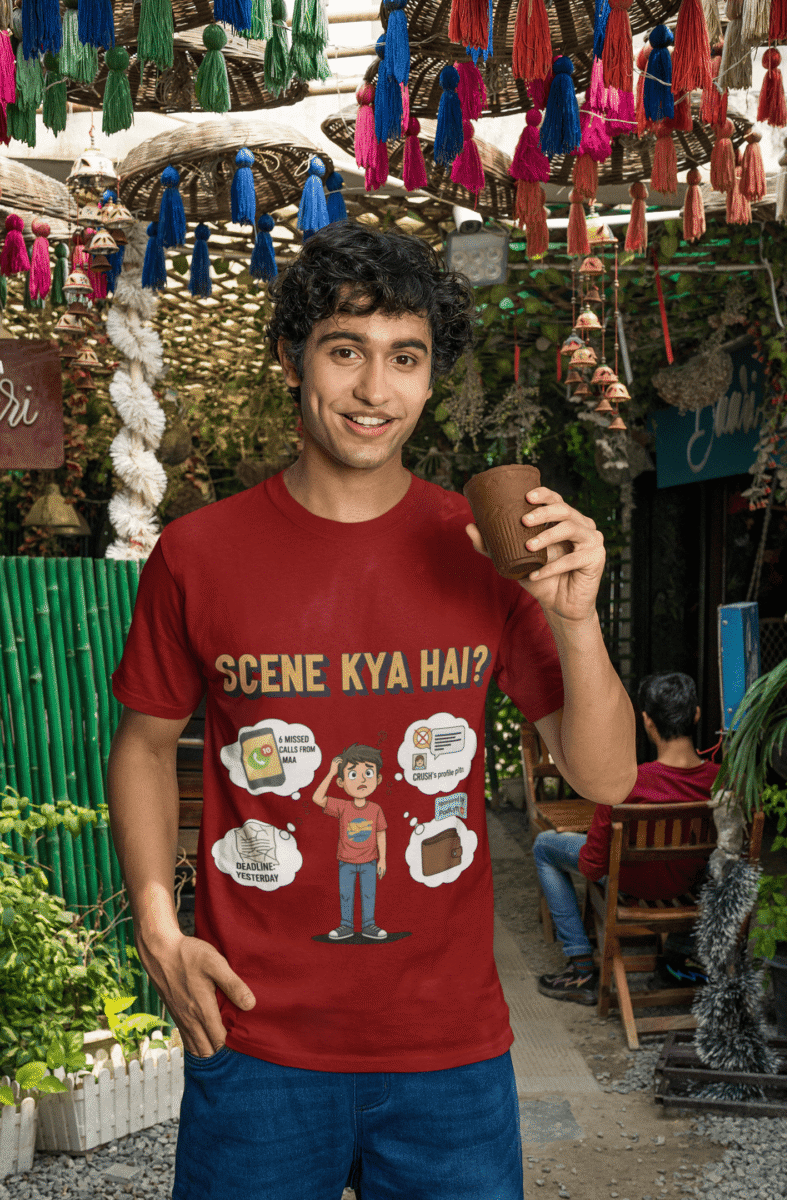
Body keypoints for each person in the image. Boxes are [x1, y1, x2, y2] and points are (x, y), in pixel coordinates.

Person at [106, 222, 637, 1200]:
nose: (373, 391)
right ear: (290, 358)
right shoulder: (198, 553)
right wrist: (155, 926)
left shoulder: (482, 546)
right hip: (256, 1039)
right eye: (345, 351)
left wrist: (576, 622)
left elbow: (605, 778)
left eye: (405, 358)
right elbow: (142, 745)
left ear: (430, 379)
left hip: (448, 1053)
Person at [534, 672, 719, 1006]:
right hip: (686, 890)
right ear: (696, 715)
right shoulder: (722, 781)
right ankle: (675, 962)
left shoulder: (625, 784)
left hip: (632, 889)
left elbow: (592, 867)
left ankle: (581, 968)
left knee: (544, 845)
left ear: (647, 722)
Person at [311, 745, 389, 940]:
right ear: (341, 781)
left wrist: (382, 860)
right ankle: (346, 926)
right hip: (346, 861)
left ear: (378, 779)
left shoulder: (376, 809)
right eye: (353, 775)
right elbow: (317, 798)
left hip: (369, 861)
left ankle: (368, 925)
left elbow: (381, 833)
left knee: (368, 895)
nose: (362, 780)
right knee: (346, 895)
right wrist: (330, 773)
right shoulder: (342, 806)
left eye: (368, 773)